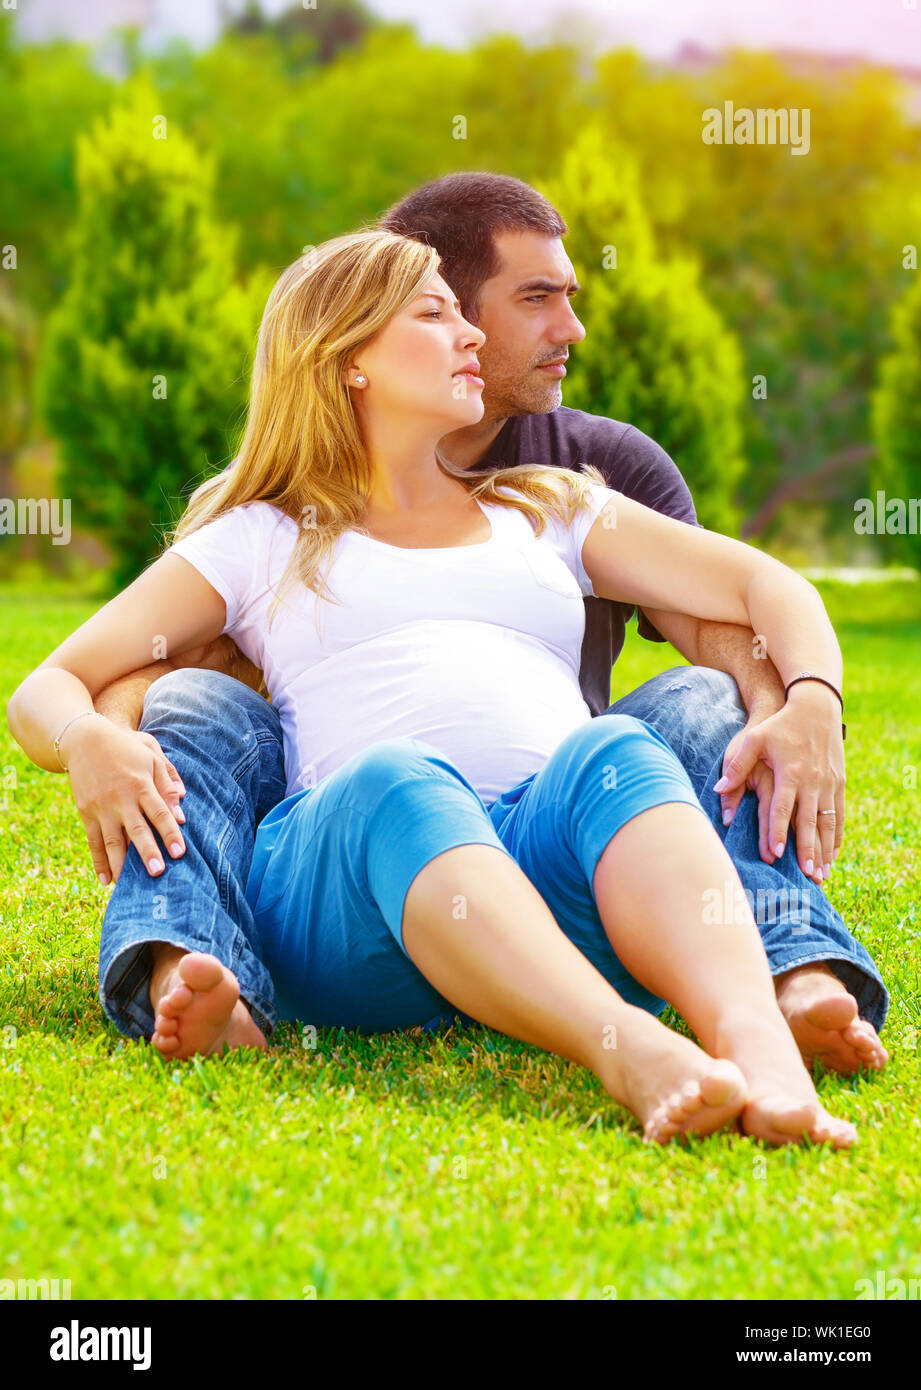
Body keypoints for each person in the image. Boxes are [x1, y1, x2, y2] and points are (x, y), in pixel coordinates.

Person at [7, 227, 881, 1147]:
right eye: (434, 314)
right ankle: (627, 1051)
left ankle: (762, 1053)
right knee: (399, 780)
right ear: (347, 362)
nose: (471, 336)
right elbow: (49, 684)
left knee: (615, 748)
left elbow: (763, 586)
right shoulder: (260, 537)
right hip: (355, 897)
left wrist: (814, 696)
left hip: (549, 878)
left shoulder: (546, 505)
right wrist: (90, 740)